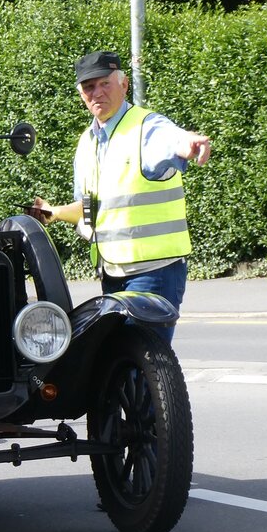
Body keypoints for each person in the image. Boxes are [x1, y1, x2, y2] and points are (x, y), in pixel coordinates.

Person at [31, 50, 211, 343]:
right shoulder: (87, 142)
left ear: (124, 85)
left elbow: (171, 139)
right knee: (121, 363)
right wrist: (55, 212)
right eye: (89, 87)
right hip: (112, 273)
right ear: (81, 95)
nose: (97, 93)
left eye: (105, 84)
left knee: (147, 365)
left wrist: (188, 143)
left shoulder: (146, 127)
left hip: (155, 272)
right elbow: (90, 206)